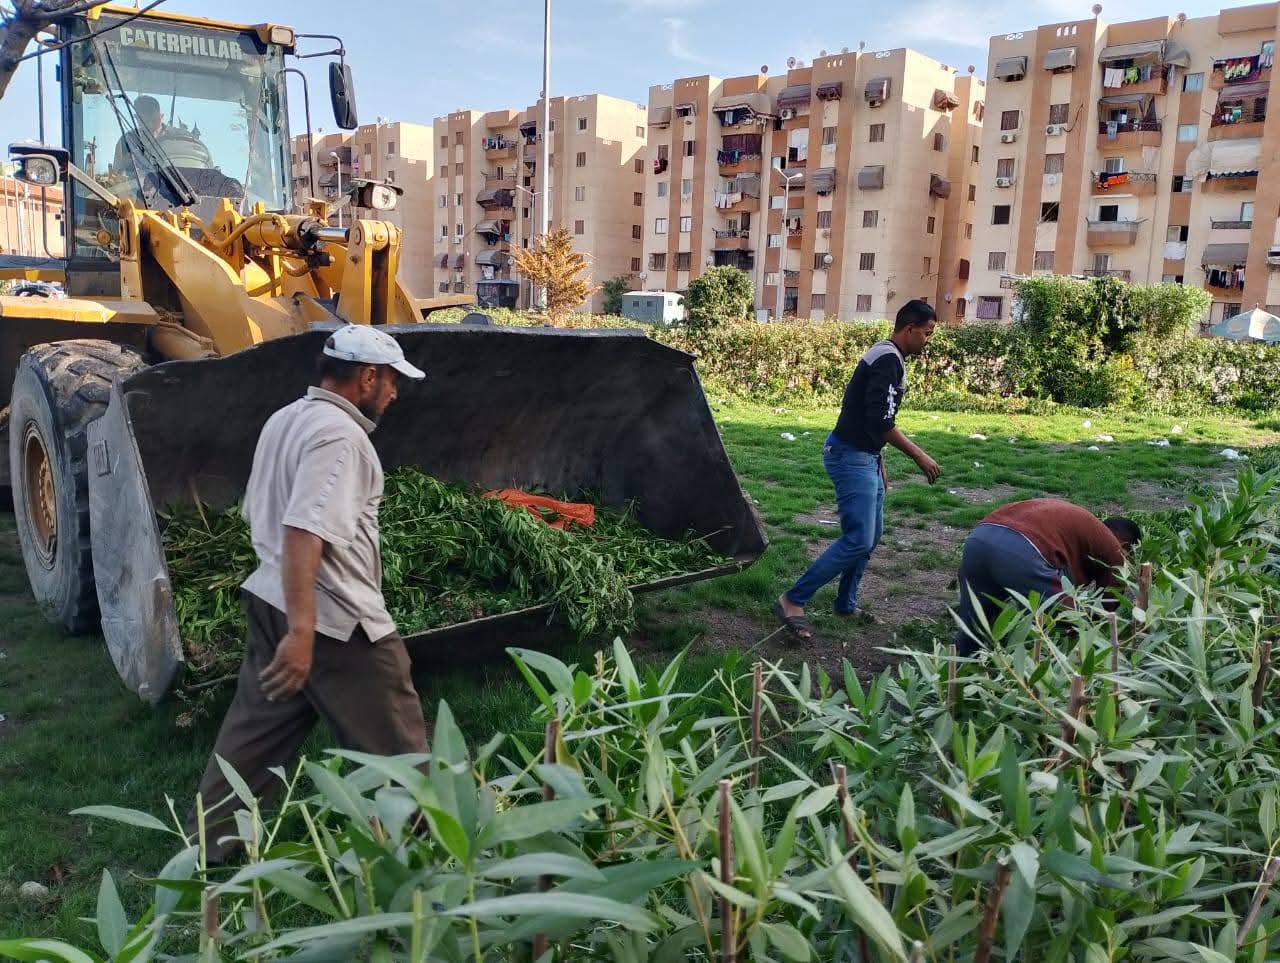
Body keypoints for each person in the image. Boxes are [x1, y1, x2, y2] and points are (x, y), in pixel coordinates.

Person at [187, 325, 430, 863]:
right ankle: (428, 866)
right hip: (333, 621)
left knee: (251, 741)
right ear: (367, 377)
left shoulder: (285, 419)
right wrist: (303, 632)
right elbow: (304, 530)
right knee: (397, 747)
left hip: (271, 597)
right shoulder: (341, 437)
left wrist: (290, 624)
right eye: (391, 380)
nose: (395, 392)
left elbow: (264, 513)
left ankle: (205, 852)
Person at [774, 300, 942, 642]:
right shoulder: (886, 359)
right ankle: (792, 600)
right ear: (909, 329)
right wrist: (918, 456)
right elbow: (880, 421)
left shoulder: (890, 358)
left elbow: (868, 417)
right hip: (849, 456)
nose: (929, 341)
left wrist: (877, 458)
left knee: (871, 536)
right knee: (858, 539)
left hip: (864, 456)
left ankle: (845, 604)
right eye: (927, 334)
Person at [953, 499, 1141, 655]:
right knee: (1068, 620)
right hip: (1022, 547)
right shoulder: (1114, 549)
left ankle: (951, 687)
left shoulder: (1082, 528)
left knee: (974, 626)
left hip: (979, 538)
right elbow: (1106, 606)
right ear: (1126, 546)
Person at [112, 94, 168, 173]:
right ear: (136, 118)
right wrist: (130, 158)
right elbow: (116, 172)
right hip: (136, 184)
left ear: (161, 116)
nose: (150, 125)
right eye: (145, 122)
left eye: (154, 120)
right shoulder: (126, 141)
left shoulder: (175, 138)